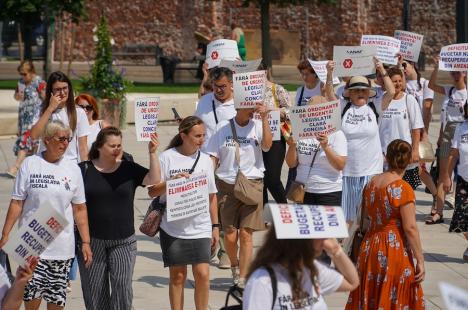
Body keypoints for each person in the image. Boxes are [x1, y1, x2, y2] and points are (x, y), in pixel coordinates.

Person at [0, 120, 92, 309]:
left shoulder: (73, 169)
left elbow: (80, 208)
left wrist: (85, 242)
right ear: (47, 140)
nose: (65, 143)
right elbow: (17, 202)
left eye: (68, 139)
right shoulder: (30, 164)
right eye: (61, 139)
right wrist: (6, 233)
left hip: (62, 250)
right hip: (32, 248)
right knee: (31, 304)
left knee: (56, 304)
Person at [76, 126, 160, 310]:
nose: (117, 149)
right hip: (92, 242)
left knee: (122, 287)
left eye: (119, 145)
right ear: (99, 147)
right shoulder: (83, 170)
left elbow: (154, 178)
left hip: (123, 240)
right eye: (112, 146)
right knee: (96, 292)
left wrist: (152, 152)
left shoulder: (128, 168)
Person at [148, 116, 219, 310]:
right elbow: (152, 191)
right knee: (178, 276)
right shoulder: (167, 157)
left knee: (203, 274)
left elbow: (212, 196)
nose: (201, 140)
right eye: (197, 135)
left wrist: (215, 227)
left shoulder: (205, 160)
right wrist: (172, 181)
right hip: (173, 228)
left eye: (203, 135)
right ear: (183, 135)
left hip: (200, 226)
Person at [346, 139, 425, 309]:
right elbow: (410, 228)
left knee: (371, 292)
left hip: (370, 247)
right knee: (394, 295)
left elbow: (366, 218)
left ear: (386, 158)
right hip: (393, 250)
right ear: (409, 160)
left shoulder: (371, 184)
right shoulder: (403, 189)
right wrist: (420, 259)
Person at [206, 103, 273, 288]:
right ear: (238, 107)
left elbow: (267, 146)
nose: (252, 111)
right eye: (249, 107)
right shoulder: (223, 127)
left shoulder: (258, 125)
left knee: (245, 234)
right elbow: (213, 155)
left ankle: (243, 277)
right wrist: (208, 180)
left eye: (254, 107)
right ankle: (234, 265)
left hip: (252, 186)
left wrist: (265, 117)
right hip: (227, 186)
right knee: (229, 234)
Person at [334, 59, 395, 225]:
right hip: (348, 172)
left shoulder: (374, 106)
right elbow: (327, 97)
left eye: (363, 90)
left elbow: (390, 92)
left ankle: (367, 250)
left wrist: (381, 69)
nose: (360, 92)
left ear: (369, 92)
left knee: (370, 217)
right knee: (348, 219)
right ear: (349, 94)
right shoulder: (343, 107)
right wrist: (328, 75)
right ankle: (347, 250)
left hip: (371, 171)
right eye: (356, 90)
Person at [243, 228, 359, 309]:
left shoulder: (312, 268)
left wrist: (336, 251)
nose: (325, 238)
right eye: (318, 234)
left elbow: (352, 282)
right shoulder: (262, 280)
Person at [194, 66, 236, 269]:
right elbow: (197, 126)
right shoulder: (204, 102)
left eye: (222, 87)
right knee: (207, 209)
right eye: (215, 86)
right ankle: (209, 245)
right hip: (205, 163)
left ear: (231, 85)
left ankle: (226, 253)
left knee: (226, 210)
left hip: (230, 165)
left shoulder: (240, 104)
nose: (218, 90)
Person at [285, 96, 347, 206]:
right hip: (303, 190)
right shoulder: (300, 132)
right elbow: (291, 164)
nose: (314, 115)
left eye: (318, 111)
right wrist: (292, 146)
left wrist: (326, 147)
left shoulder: (336, 134)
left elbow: (340, 165)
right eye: (310, 111)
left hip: (328, 191)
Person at [428, 57, 467, 224]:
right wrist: (437, 66)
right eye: (453, 71)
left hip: (464, 130)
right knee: (444, 173)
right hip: (448, 134)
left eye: (459, 71)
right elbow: (431, 85)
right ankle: (439, 211)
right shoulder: (449, 90)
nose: (455, 74)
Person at [379, 67, 424, 190]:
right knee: (385, 192)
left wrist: (414, 151)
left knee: (404, 193)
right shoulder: (381, 99)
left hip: (403, 154)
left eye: (400, 81)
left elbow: (416, 129)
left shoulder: (408, 99)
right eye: (394, 81)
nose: (398, 84)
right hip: (385, 155)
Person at [31, 71, 90, 163]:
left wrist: (86, 170)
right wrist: (50, 109)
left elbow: (83, 147)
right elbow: (34, 135)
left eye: (65, 88)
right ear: (51, 91)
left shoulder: (79, 112)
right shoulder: (42, 110)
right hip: (46, 163)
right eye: (58, 89)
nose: (62, 92)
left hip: (70, 164)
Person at [6, 60, 46, 178]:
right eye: (21, 74)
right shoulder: (21, 82)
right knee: (32, 144)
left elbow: (46, 97)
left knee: (25, 141)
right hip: (24, 117)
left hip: (34, 118)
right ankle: (32, 169)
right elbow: (16, 96)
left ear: (32, 72)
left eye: (24, 74)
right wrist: (18, 96)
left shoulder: (38, 82)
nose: (23, 76)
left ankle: (16, 167)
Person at [259, 61, 291, 203]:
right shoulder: (244, 92)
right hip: (254, 137)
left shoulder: (276, 89)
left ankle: (285, 209)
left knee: (272, 178)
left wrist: (270, 110)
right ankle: (262, 217)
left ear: (264, 72)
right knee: (260, 179)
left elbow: (289, 111)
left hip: (275, 138)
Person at [442, 104, 468, 261]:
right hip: (464, 180)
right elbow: (453, 154)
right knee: (461, 218)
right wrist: (446, 176)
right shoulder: (461, 128)